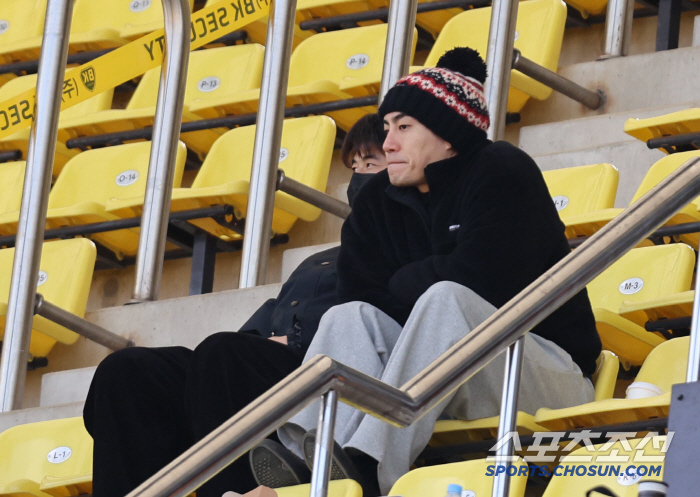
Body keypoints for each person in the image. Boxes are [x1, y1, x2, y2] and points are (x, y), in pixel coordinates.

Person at [252, 48, 602, 496]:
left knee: (446, 299)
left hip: (542, 373)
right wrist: (423, 280)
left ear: (449, 135)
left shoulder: (503, 172)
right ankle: (312, 459)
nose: (388, 143)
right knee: (349, 317)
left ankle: (367, 464)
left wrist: (405, 282)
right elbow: (359, 291)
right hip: (441, 378)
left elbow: (483, 280)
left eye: (404, 127)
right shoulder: (377, 202)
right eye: (386, 129)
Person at [82, 113, 388, 497]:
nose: (358, 176)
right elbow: (260, 326)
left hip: (325, 371)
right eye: (353, 166)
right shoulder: (320, 259)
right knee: (129, 370)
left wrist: (295, 342)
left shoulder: (407, 242)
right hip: (253, 371)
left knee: (223, 355)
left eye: (370, 163)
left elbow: (382, 317)